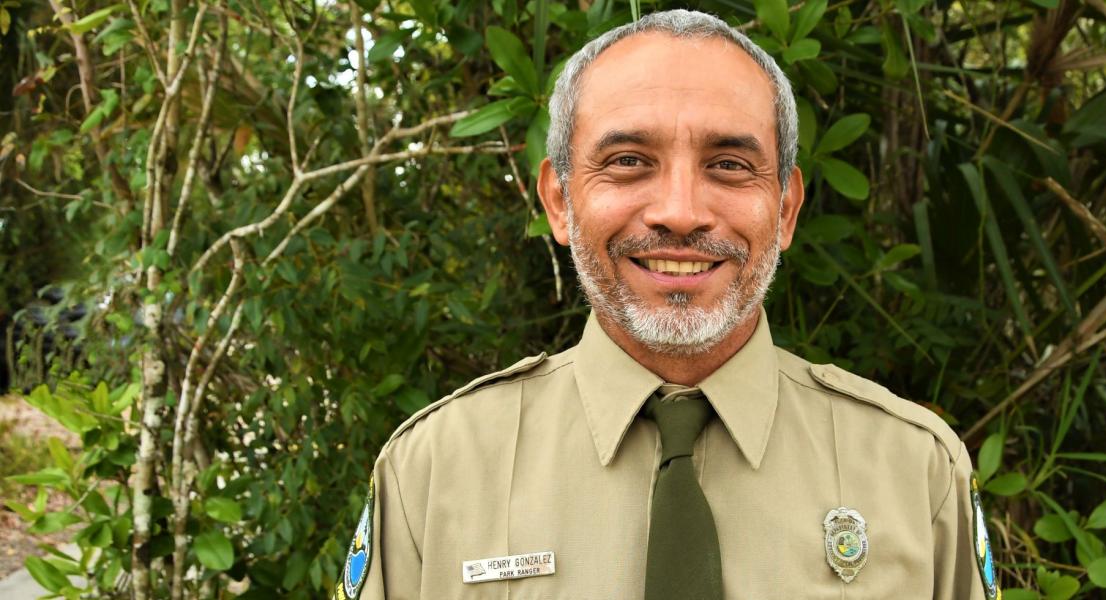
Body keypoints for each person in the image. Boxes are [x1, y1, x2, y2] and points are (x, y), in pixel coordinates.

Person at [335, 9, 996, 599]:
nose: (681, 212)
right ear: (560, 200)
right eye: (627, 160)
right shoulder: (433, 472)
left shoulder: (915, 472)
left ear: (787, 209)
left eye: (730, 165)